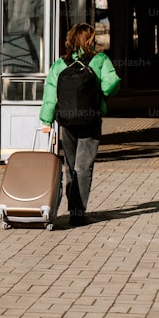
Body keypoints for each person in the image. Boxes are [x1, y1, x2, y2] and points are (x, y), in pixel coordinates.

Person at [39, 23, 121, 227]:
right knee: (84, 167)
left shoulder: (60, 64)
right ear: (91, 40)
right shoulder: (100, 60)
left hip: (66, 122)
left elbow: (50, 94)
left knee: (71, 166)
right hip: (90, 120)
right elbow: (111, 86)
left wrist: (46, 121)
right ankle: (78, 212)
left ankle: (72, 207)